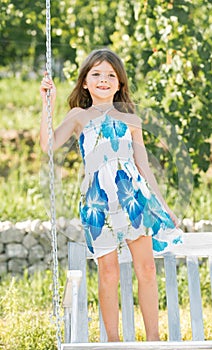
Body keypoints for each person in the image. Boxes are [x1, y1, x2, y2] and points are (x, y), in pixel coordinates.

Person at [40, 48, 183, 342]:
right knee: (108, 273)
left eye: (110, 75)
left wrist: (164, 205)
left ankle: (153, 341)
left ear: (119, 84)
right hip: (98, 203)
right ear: (84, 82)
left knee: (146, 268)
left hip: (134, 198)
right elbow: (48, 145)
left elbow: (144, 166)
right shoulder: (79, 116)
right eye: (96, 74)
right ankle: (114, 344)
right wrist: (48, 105)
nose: (103, 79)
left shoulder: (131, 119)